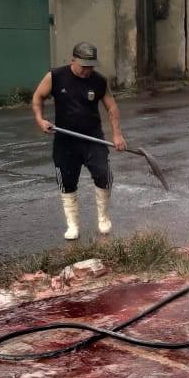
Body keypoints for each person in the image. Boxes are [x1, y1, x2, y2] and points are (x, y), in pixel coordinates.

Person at [32, 42, 126, 240]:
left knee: (103, 175)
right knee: (67, 182)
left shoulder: (99, 81)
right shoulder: (56, 77)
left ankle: (103, 217)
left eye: (91, 66)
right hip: (65, 140)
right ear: (72, 60)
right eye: (84, 66)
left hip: (93, 138)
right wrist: (40, 120)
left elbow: (112, 108)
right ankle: (73, 225)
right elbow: (38, 97)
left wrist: (117, 134)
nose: (87, 70)